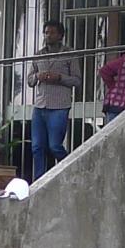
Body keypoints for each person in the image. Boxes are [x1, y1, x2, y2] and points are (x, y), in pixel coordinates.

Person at [24, 18, 77, 179]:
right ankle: (39, 180)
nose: (48, 36)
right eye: (46, 33)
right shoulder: (39, 54)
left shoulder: (69, 53)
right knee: (37, 147)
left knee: (54, 146)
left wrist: (59, 77)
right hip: (40, 106)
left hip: (59, 106)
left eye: (52, 33)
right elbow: (29, 80)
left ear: (61, 35)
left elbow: (77, 80)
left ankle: (71, 169)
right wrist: (38, 76)